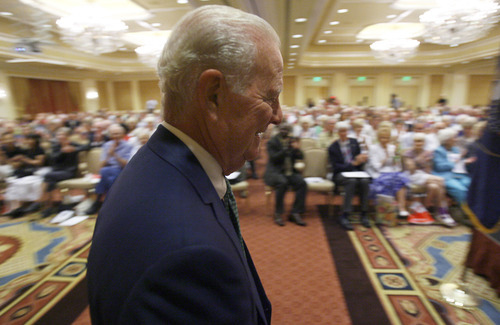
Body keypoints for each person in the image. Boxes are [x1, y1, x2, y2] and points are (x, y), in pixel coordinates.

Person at [87, 5, 280, 324]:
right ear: (213, 96)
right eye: (270, 96)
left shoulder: (154, 166)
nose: (278, 115)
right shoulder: (188, 258)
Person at [403, 133, 455, 227]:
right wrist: (419, 159)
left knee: (434, 186)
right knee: (440, 180)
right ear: (413, 142)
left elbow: (428, 170)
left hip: (424, 176)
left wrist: (427, 163)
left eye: (420, 141)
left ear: (424, 142)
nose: (418, 143)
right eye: (416, 141)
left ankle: (430, 210)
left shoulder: (427, 152)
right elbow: (411, 169)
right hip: (412, 176)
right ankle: (442, 212)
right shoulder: (408, 153)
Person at [328, 121, 370, 230]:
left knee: (365, 181)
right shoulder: (333, 147)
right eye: (341, 131)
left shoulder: (354, 142)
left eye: (345, 131)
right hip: (340, 174)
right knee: (351, 181)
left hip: (356, 172)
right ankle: (345, 214)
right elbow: (336, 167)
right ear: (337, 132)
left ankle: (364, 213)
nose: (344, 133)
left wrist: (361, 159)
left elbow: (358, 159)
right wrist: (352, 164)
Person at [264, 124, 307, 227]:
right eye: (282, 129)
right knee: (282, 182)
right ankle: (278, 213)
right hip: (275, 172)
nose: (284, 131)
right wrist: (286, 149)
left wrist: (296, 149)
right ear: (279, 130)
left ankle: (295, 212)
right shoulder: (272, 141)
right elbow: (274, 158)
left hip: (289, 171)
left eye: (286, 130)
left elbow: (300, 156)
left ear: (289, 131)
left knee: (302, 183)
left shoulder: (291, 140)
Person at [85, 124, 133, 215]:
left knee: (106, 173)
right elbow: (102, 165)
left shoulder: (128, 146)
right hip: (109, 171)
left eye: (118, 134)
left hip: (121, 170)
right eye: (114, 134)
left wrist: (114, 154)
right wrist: (108, 154)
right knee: (107, 173)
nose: (116, 136)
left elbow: (126, 165)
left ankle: (97, 202)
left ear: (123, 134)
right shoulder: (107, 145)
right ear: (110, 135)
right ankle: (113, 204)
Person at [366, 125, 410, 218]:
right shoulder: (373, 148)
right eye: (382, 137)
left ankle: (402, 208)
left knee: (401, 179)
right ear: (378, 138)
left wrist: (395, 158)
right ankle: (386, 212)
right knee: (388, 181)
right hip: (378, 173)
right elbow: (376, 166)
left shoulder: (392, 148)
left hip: (392, 172)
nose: (384, 140)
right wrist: (386, 157)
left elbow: (397, 166)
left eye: (386, 138)